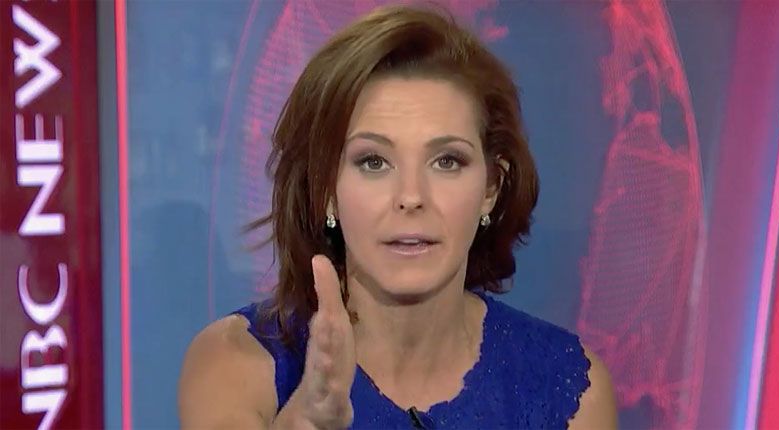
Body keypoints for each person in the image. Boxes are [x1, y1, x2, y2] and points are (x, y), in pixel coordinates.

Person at [178, 4, 617, 429]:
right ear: (326, 191)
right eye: (373, 162)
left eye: (446, 161)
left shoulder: (569, 392)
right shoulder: (237, 362)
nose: (411, 197)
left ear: (491, 189)